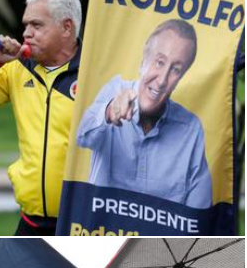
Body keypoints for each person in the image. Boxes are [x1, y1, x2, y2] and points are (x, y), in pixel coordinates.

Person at [0, 0, 82, 236]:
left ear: (67, 27)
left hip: (83, 220)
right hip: (31, 220)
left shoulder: (97, 72)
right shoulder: (17, 68)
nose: (26, 33)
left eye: (36, 25)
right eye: (25, 26)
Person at [76, 19, 211, 208]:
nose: (162, 80)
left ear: (182, 77)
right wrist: (109, 111)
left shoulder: (191, 129)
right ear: (143, 62)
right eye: (159, 62)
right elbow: (83, 136)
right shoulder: (115, 90)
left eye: (176, 69)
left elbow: (198, 214)